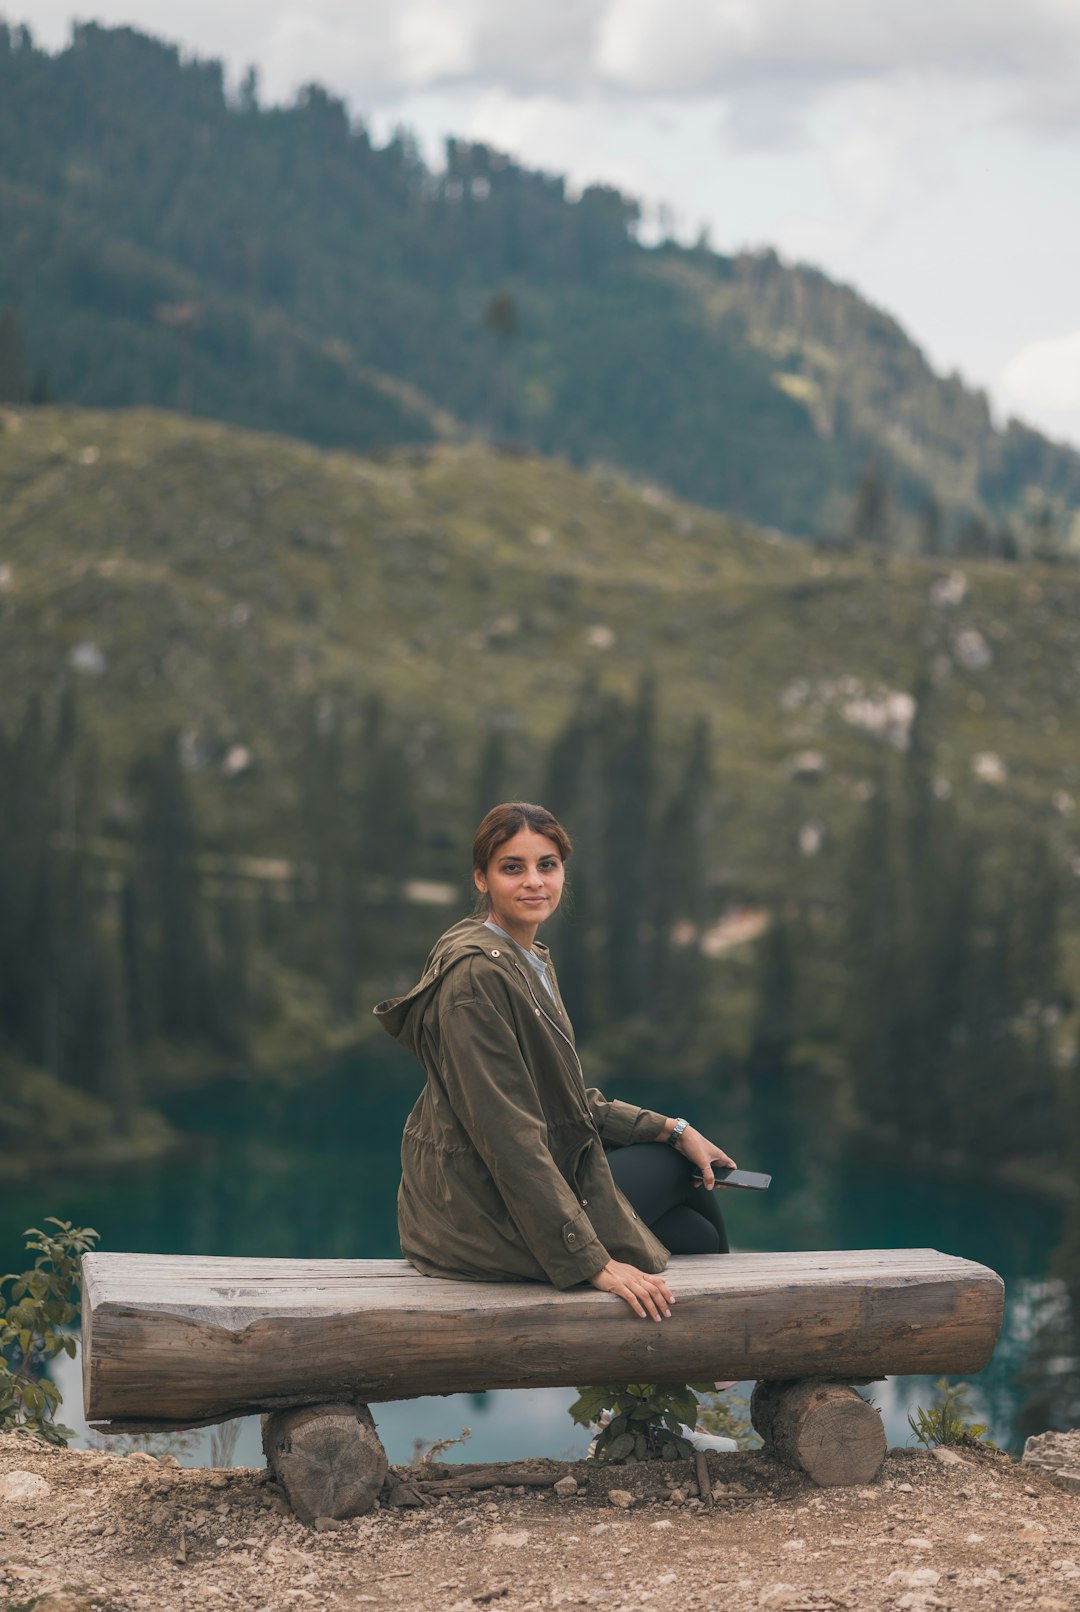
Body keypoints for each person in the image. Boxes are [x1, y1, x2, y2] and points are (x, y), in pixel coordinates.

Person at [374, 801, 736, 1323]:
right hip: (475, 1215)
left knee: (694, 1227)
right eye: (512, 867)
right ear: (482, 878)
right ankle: (712, 1362)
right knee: (671, 1169)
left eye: (547, 865)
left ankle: (693, 1367)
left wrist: (673, 1127)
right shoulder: (475, 980)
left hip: (499, 1192)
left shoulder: (526, 958)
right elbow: (508, 1135)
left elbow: (560, 1099)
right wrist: (592, 1262)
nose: (533, 882)